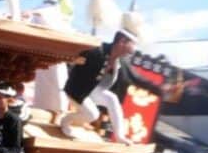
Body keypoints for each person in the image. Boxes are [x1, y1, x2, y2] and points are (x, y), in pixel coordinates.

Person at [59, 10, 176, 144]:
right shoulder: (97, 50)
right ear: (122, 41)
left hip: (94, 90)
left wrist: (162, 89)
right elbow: (74, 56)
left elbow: (139, 79)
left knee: (112, 99)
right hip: (76, 90)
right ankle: (66, 121)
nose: (134, 47)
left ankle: (120, 136)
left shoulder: (122, 62)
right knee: (93, 114)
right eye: (132, 43)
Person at [28, 0, 73, 115]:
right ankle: (42, 108)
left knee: (57, 78)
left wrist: (36, 13)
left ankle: (59, 110)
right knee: (42, 77)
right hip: (43, 46)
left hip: (56, 44)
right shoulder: (45, 1)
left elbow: (59, 16)